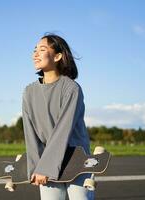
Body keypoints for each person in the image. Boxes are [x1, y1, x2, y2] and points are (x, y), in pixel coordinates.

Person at [22, 33, 94, 200]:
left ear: (57, 56)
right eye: (34, 50)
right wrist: (35, 167)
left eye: (42, 49)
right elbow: (30, 133)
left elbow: (63, 129)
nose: (36, 54)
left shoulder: (71, 88)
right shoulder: (29, 91)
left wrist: (45, 167)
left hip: (76, 159)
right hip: (47, 160)